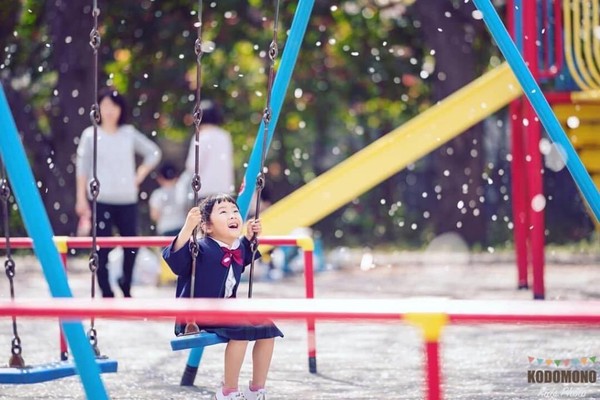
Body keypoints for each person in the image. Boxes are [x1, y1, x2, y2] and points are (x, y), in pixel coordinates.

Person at [162, 194, 282, 400]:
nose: (233, 215)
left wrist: (252, 236)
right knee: (242, 330)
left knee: (267, 328)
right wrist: (187, 228)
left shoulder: (238, 248)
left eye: (235, 211)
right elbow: (175, 261)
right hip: (197, 314)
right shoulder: (200, 247)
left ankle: (256, 389)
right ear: (207, 226)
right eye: (224, 212)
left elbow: (246, 248)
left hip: (227, 311)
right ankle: (228, 391)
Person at [75, 87, 162, 298]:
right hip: (101, 198)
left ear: (121, 109)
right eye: (105, 106)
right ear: (98, 109)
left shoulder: (128, 133)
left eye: (113, 106)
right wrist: (81, 199)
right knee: (101, 247)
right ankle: (105, 289)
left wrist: (139, 174)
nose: (109, 111)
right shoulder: (90, 134)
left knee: (131, 245)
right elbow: (82, 168)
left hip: (127, 199)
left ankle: (126, 283)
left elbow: (154, 152)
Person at [181, 99, 235, 208]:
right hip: (225, 190)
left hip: (204, 191)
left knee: (205, 223)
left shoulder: (200, 137)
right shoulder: (224, 136)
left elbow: (192, 166)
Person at [149, 162, 187, 236]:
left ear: (159, 178)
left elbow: (154, 216)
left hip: (165, 229)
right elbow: (187, 210)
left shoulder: (157, 194)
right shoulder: (183, 191)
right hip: (182, 228)